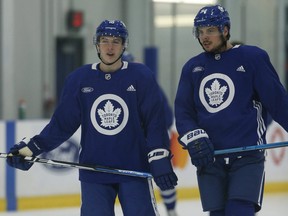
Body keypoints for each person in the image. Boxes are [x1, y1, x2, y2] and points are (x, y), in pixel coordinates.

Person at [7, 19, 178, 216]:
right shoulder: (79, 79)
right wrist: (32, 148)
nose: (110, 47)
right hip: (93, 170)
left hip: (133, 169)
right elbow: (62, 124)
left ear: (124, 45)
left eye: (116, 41)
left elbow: (154, 122)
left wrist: (159, 155)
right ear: (97, 44)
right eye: (104, 40)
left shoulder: (141, 76)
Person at [174, 4, 288, 216]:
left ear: (225, 30)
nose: (204, 37)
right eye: (200, 31)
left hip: (247, 157)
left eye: (210, 30)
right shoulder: (192, 68)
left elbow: (278, 102)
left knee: (239, 211)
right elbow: (183, 112)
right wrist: (194, 137)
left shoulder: (252, 58)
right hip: (210, 159)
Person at [122, 51, 178, 216]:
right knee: (159, 176)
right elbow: (167, 116)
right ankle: (171, 210)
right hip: (149, 141)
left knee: (161, 176)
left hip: (151, 141)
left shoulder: (146, 83)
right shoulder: (146, 82)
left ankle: (171, 209)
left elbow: (166, 116)